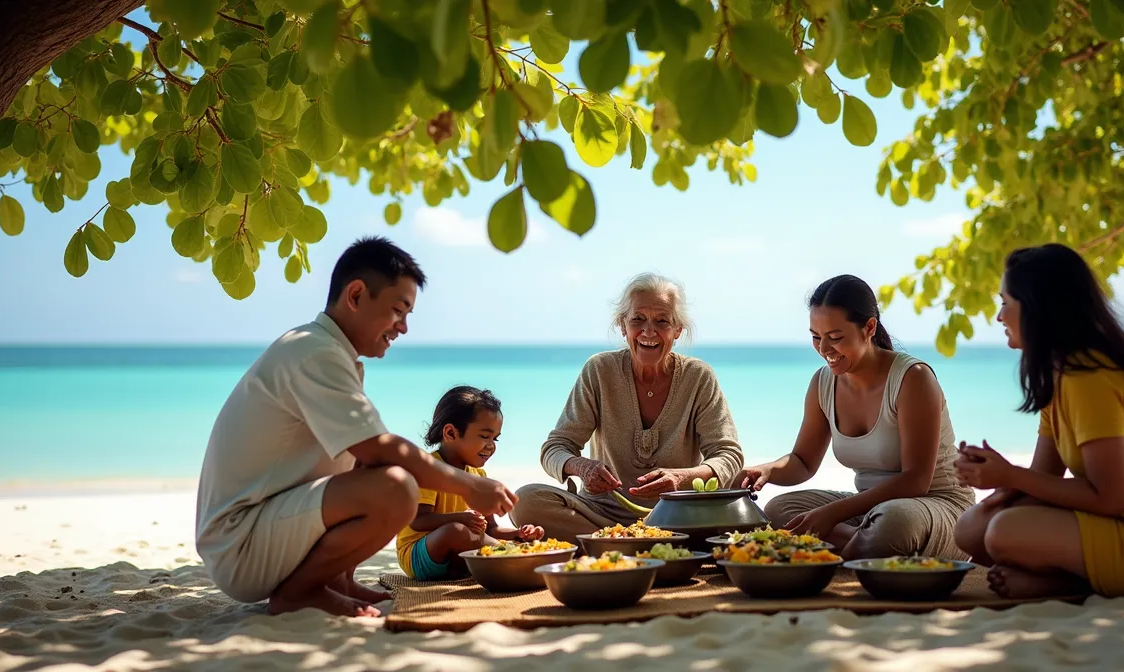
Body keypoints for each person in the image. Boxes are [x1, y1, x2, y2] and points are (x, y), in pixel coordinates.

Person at [194, 237, 517, 617]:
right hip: (242, 543)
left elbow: (366, 454)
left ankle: (336, 582)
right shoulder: (314, 352)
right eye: (399, 311)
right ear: (357, 294)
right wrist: (470, 485)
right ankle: (300, 592)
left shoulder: (329, 353)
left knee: (373, 467)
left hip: (264, 528)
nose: (405, 327)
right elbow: (379, 447)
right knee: (396, 486)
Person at [951, 243, 1124, 599]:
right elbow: (1045, 478)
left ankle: (1065, 584)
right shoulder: (1060, 374)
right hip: (1123, 524)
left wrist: (1011, 476)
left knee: (1004, 532)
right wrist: (998, 475)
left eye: (1005, 304)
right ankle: (1068, 579)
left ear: (1037, 309)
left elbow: (1109, 498)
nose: (999, 317)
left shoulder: (1089, 377)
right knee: (972, 528)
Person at [737, 275, 974, 559]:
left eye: (835, 338)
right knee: (779, 510)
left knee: (894, 521)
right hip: (870, 511)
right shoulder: (823, 384)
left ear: (869, 327)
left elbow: (916, 481)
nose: (824, 350)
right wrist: (767, 470)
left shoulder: (913, 378)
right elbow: (802, 461)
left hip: (935, 506)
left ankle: (855, 546)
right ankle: (865, 544)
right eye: (816, 337)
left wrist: (832, 514)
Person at [510, 273, 745, 542]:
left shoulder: (698, 376)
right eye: (637, 319)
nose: (648, 331)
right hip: (602, 513)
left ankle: (611, 546)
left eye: (662, 321)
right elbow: (555, 448)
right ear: (623, 325)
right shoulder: (599, 370)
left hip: (675, 515)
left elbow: (728, 455)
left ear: (677, 329)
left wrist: (681, 478)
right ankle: (636, 544)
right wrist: (581, 467)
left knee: (743, 515)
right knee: (524, 501)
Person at [395, 386, 545, 580]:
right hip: (419, 555)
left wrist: (519, 534)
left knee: (469, 534)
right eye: (484, 436)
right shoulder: (429, 469)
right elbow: (418, 521)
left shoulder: (479, 476)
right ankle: (513, 555)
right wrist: (459, 518)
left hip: (457, 554)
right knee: (456, 531)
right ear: (450, 433)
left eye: (495, 439)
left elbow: (490, 528)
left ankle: (509, 554)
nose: (491, 446)